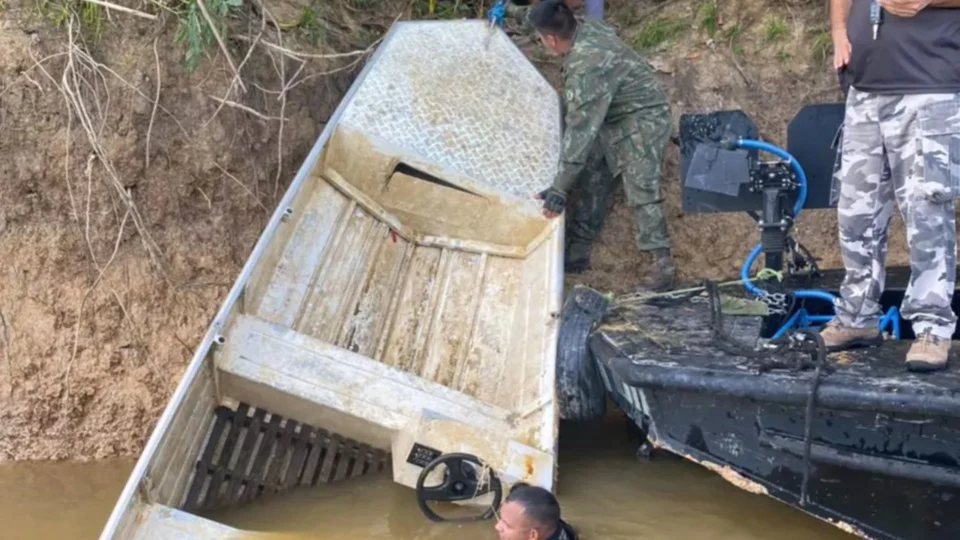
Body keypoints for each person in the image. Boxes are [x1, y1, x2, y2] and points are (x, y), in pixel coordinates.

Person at [824, 0, 960, 371]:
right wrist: (838, 30)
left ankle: (932, 327)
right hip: (865, 92)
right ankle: (857, 317)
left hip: (931, 88)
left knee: (927, 213)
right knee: (856, 214)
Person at [524, 0, 675, 290]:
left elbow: (580, 133)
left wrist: (558, 190)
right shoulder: (587, 28)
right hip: (614, 113)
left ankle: (661, 266)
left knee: (640, 185)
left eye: (541, 39)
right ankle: (578, 250)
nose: (542, 43)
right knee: (594, 171)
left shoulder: (585, 68)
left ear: (551, 39)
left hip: (644, 116)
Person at [494, 482, 577, 540]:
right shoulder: (550, 524)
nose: (497, 527)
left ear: (532, 535)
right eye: (501, 519)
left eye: (507, 525)